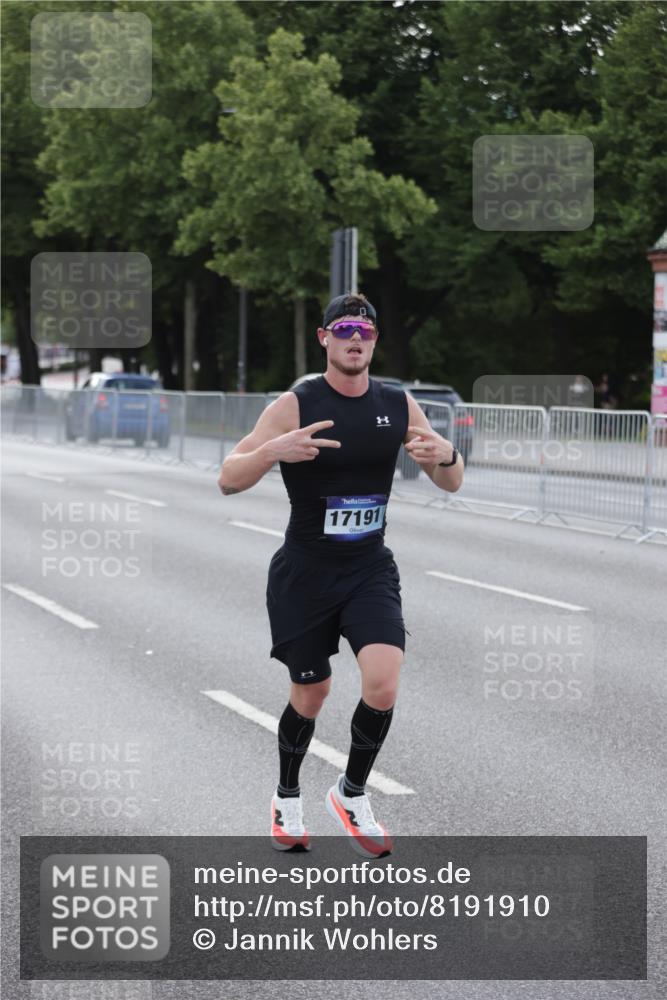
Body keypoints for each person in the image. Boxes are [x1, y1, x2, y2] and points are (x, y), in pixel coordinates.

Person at [218, 293, 464, 857]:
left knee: (383, 679)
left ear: (375, 341)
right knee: (312, 691)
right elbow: (228, 480)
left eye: (367, 329)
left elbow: (450, 483)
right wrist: (272, 451)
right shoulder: (295, 403)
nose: (357, 337)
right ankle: (286, 796)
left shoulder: (398, 404)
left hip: (368, 567)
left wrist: (447, 456)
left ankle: (351, 793)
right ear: (325, 338)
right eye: (345, 328)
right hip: (305, 571)